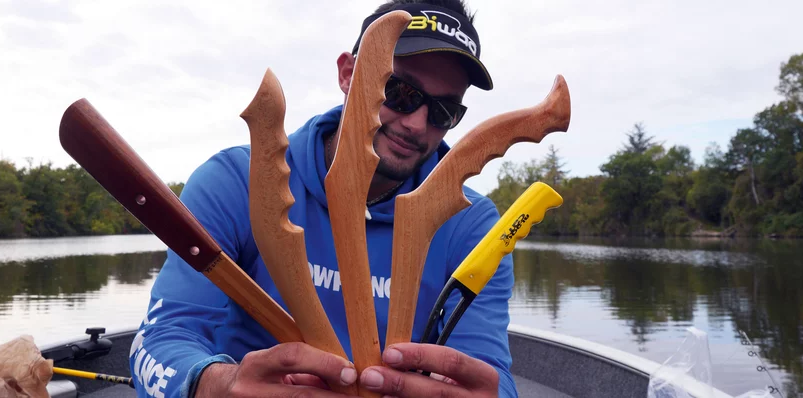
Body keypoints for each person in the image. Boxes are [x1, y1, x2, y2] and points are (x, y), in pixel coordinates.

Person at [128, 1, 517, 397]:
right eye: (399, 92)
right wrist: (215, 385)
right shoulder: (234, 182)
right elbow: (162, 338)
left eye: (443, 110)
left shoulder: (472, 224)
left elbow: (492, 375)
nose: (416, 123)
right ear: (348, 74)